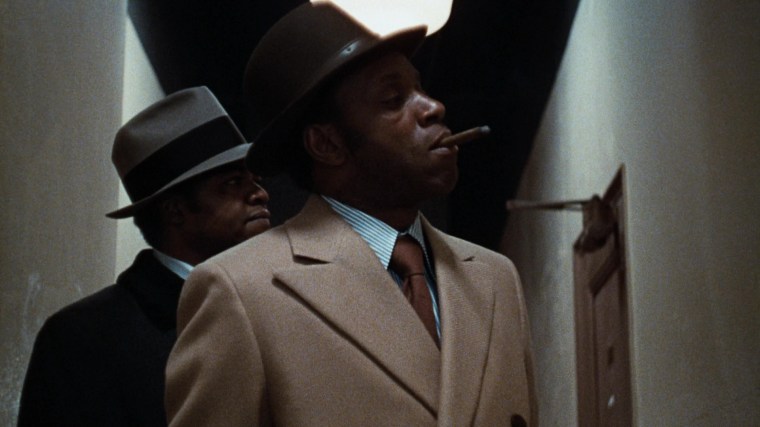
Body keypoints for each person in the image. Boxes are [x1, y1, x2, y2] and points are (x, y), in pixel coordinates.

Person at [166, 4, 536, 426]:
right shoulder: (240, 291)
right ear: (327, 144)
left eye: (421, 89)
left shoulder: (496, 278)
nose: (433, 107)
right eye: (393, 100)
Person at [17, 86, 271, 426]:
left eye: (256, 179)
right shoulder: (82, 338)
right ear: (175, 211)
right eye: (233, 182)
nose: (260, 193)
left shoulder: (275, 304)